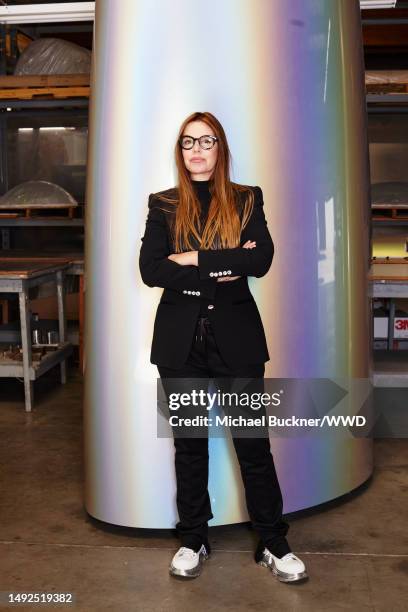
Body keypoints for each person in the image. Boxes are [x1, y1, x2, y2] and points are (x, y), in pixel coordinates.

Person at [139, 111, 308, 583]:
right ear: (180, 150)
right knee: (190, 445)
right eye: (188, 142)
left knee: (253, 446)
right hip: (179, 345)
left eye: (206, 141)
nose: (197, 149)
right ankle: (193, 538)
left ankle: (274, 542)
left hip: (237, 341)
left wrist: (195, 259)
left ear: (220, 148)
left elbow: (262, 259)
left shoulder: (246, 198)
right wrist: (224, 266)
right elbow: (151, 269)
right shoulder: (164, 204)